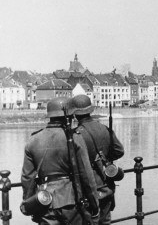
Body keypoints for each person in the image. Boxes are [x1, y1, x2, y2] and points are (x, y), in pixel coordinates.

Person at [21, 97, 99, 225]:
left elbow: (27, 178)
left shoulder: (33, 141)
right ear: (69, 116)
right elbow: (87, 177)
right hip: (71, 201)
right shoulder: (75, 138)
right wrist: (94, 205)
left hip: (44, 201)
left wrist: (30, 203)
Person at [72, 95, 125, 225]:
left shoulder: (76, 134)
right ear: (91, 111)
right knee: (105, 221)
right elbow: (119, 151)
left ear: (75, 115)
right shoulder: (104, 128)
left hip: (87, 190)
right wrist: (105, 159)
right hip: (107, 185)